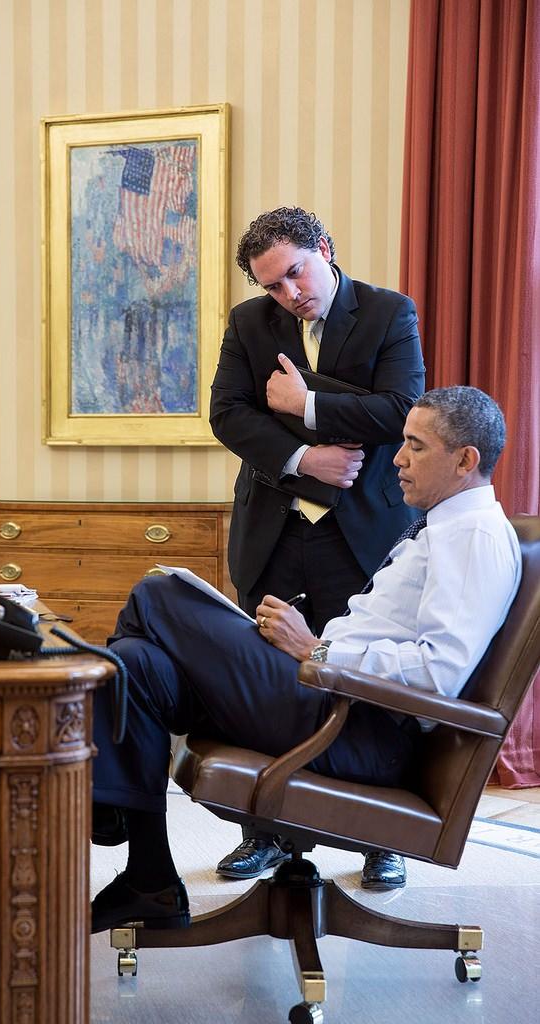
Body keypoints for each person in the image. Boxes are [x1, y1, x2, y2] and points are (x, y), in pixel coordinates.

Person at [91, 387, 522, 933]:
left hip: (356, 728)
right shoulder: (445, 526)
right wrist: (309, 646)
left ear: (465, 460)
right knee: (137, 664)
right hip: (334, 703)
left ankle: (104, 802)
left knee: (159, 596)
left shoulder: (473, 534)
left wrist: (315, 649)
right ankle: (149, 878)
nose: (397, 459)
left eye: (416, 446)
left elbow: (439, 674)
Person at [209, 207, 425, 886]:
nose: (288, 293)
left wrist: (305, 403)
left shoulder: (389, 312)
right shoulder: (248, 323)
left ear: (323, 249)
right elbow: (228, 414)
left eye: (295, 273)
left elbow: (402, 411)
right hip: (273, 531)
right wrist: (308, 460)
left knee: (366, 681)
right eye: (272, 285)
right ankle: (265, 833)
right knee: (267, 681)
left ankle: (380, 839)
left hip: (360, 534)